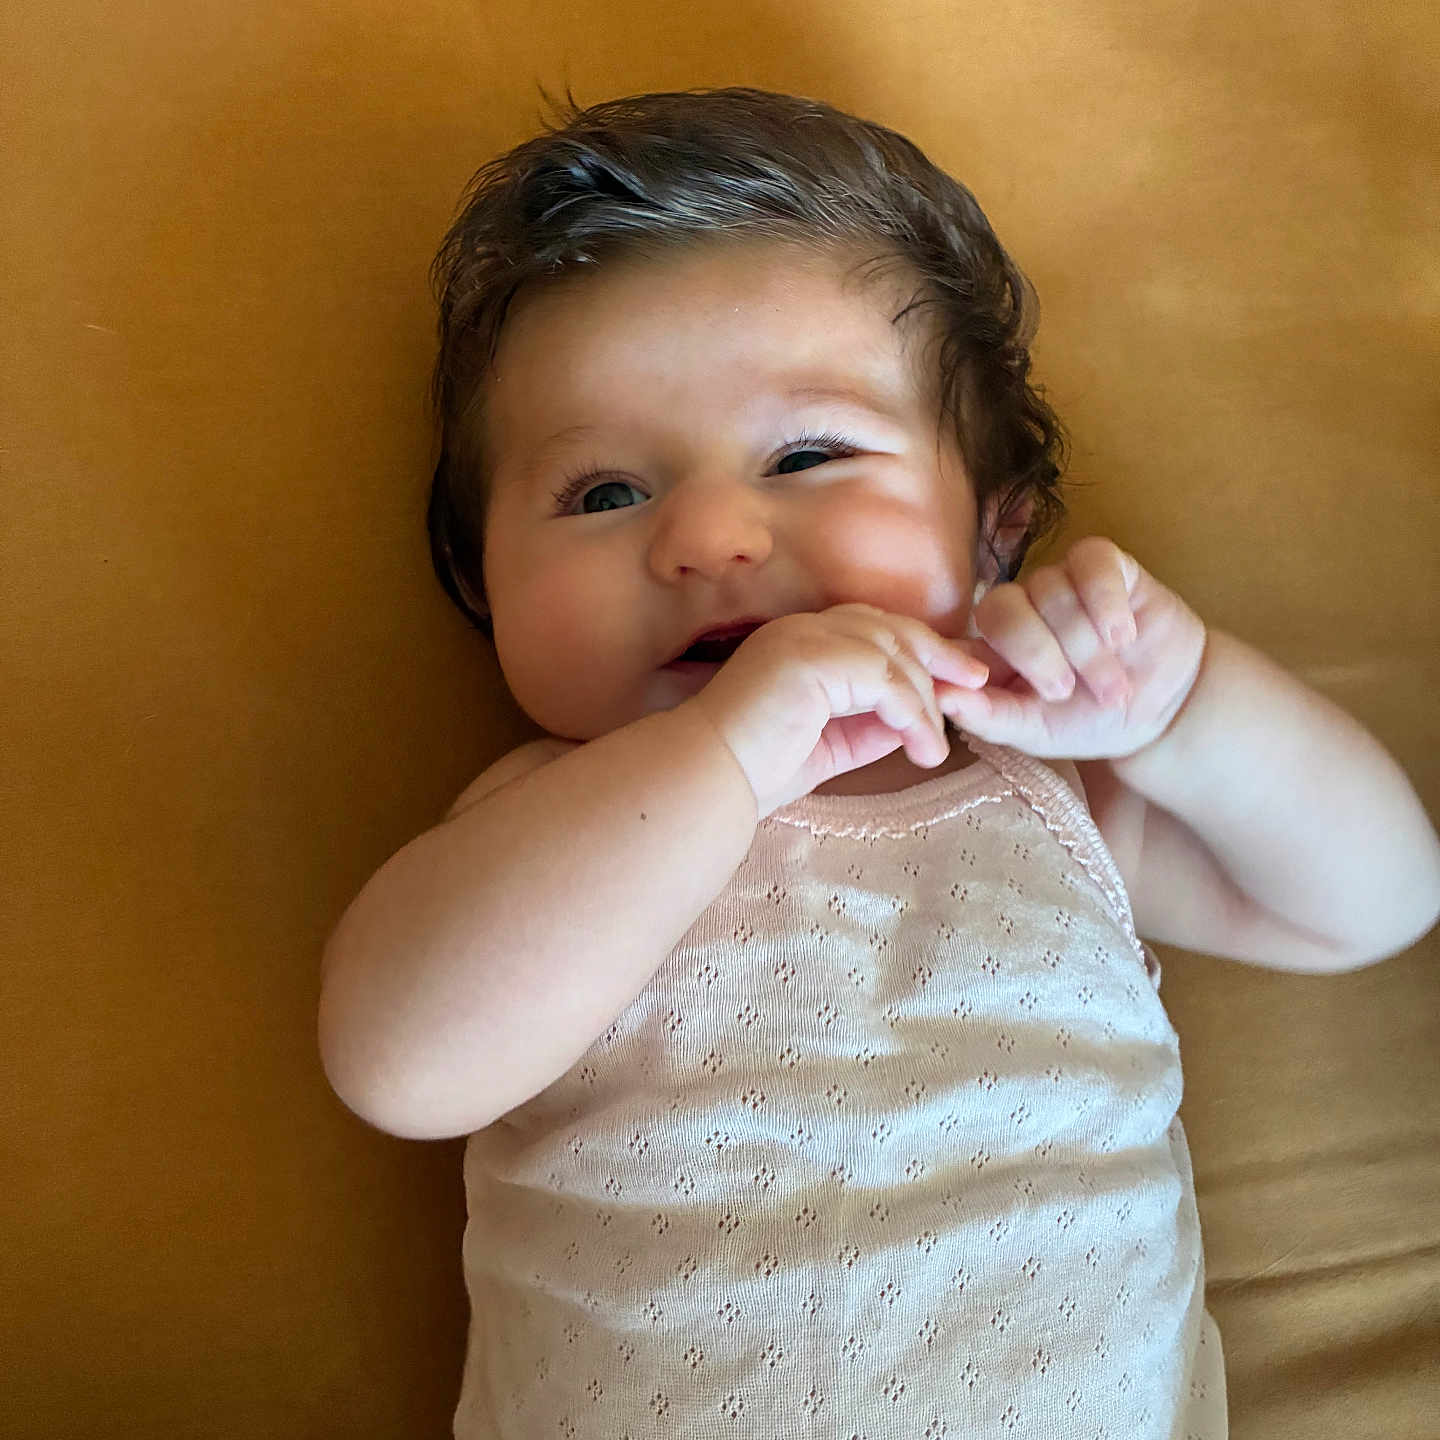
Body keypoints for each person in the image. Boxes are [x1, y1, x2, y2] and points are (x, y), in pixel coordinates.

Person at [316, 86, 1440, 1439]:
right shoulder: (547, 828)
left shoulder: (1049, 787)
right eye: (604, 491)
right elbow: (398, 1069)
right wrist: (724, 757)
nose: (712, 534)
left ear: (995, 537)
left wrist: (1186, 704)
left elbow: (1376, 899)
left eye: (808, 454)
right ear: (480, 585)